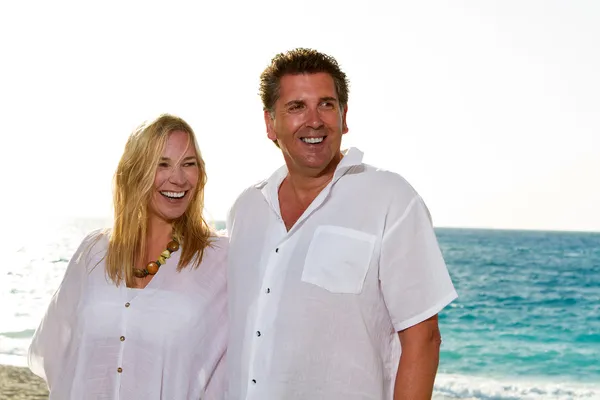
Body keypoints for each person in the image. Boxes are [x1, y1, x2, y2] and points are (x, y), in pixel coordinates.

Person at [226, 48, 458, 400]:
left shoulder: (390, 198)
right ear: (270, 123)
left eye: (326, 104)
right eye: (296, 107)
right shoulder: (246, 209)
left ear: (344, 116)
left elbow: (423, 338)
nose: (314, 120)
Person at [28, 114, 227, 399]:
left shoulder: (220, 259)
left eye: (189, 164)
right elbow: (56, 351)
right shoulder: (93, 251)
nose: (179, 178)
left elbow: (238, 365)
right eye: (162, 164)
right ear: (135, 171)